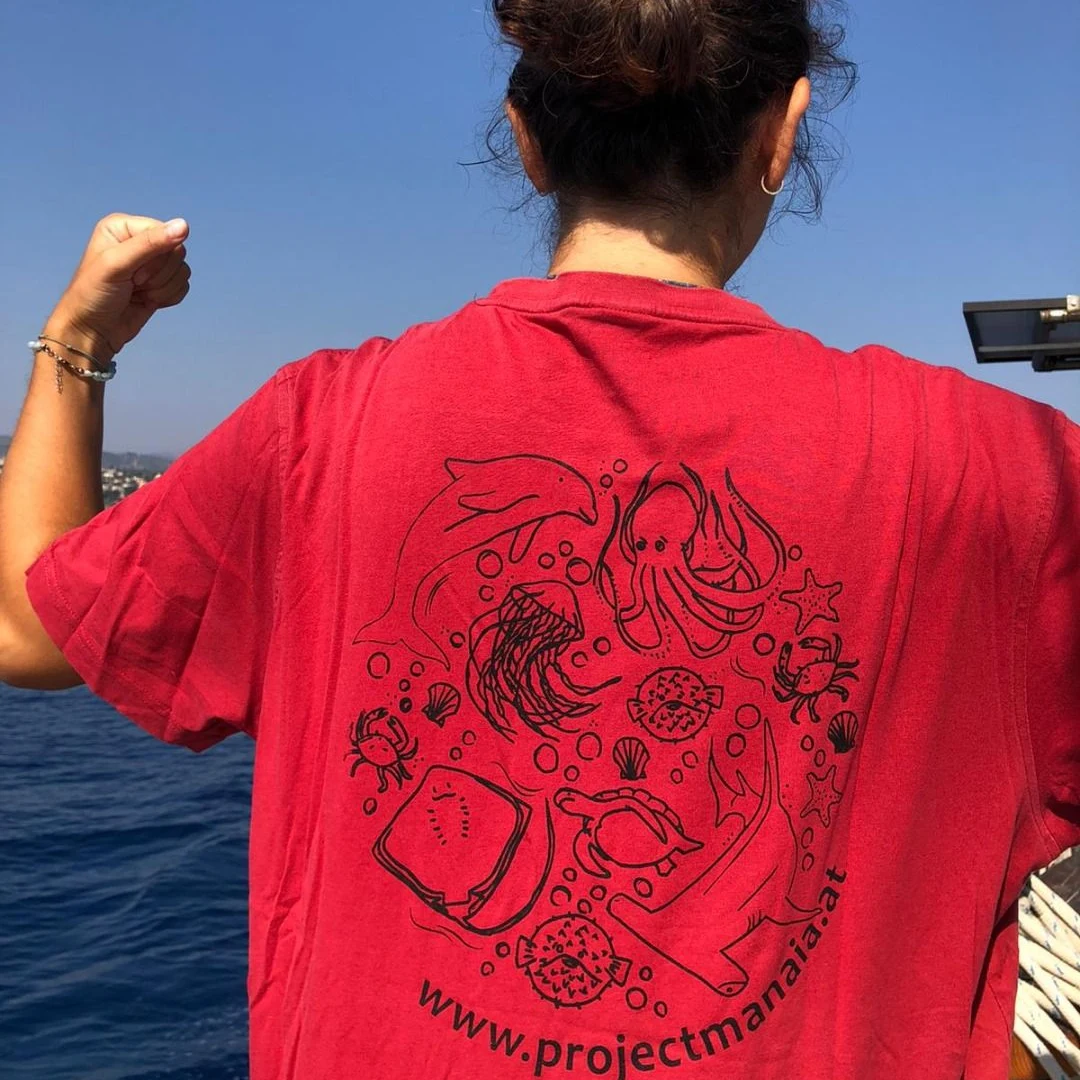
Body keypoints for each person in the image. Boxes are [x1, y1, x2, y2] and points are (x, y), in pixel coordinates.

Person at [0, 0, 1076, 1076]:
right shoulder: (1009, 476)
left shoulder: (317, 430)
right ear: (782, 135)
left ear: (525, 139)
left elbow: (25, 629)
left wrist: (77, 341)